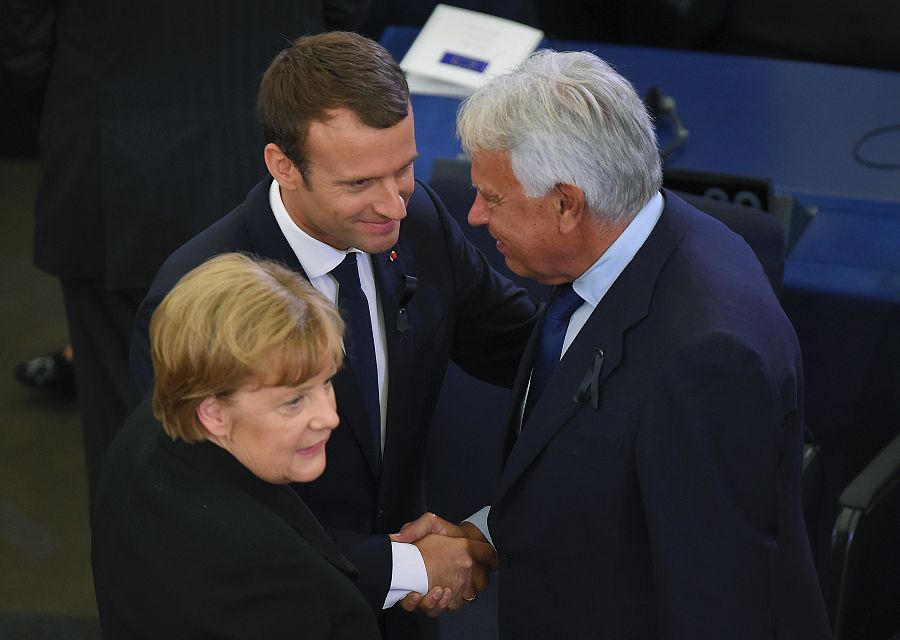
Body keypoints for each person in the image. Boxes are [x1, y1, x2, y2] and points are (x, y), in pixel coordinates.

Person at [393, 50, 832, 638]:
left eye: (493, 199)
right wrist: (491, 534)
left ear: (568, 204)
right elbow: (600, 475)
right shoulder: (621, 249)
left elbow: (718, 597)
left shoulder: (707, 358)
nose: (473, 216)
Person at [129, 31, 537, 639]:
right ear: (283, 166)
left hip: (404, 614)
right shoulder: (194, 299)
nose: (393, 205)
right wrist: (405, 565)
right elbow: (209, 515)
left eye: (403, 169)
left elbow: (519, 348)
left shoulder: (417, 219)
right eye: (358, 184)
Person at [0, 0, 371, 511]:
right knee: (298, 397)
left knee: (126, 429)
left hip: (114, 148)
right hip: (267, 136)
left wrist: (74, 87)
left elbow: (23, 31)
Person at [92, 253, 381, 638]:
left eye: (326, 383)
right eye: (294, 401)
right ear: (213, 412)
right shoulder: (257, 567)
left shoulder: (152, 428)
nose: (329, 417)